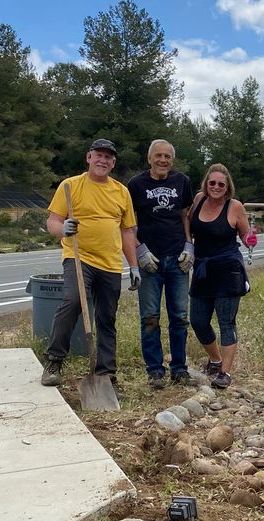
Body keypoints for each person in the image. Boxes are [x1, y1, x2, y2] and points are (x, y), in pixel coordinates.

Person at [41, 138, 141, 389]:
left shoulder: (121, 191)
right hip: (79, 257)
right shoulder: (70, 186)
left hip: (110, 263)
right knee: (73, 300)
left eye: (108, 157)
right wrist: (62, 229)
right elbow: (52, 221)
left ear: (113, 163)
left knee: (107, 316)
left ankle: (106, 372)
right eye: (99, 155)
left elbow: (127, 232)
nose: (103, 160)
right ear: (88, 157)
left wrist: (134, 265)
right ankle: (54, 360)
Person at [127, 139, 196, 389]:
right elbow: (127, 221)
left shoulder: (182, 182)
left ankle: (179, 369)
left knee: (179, 317)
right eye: (158, 155)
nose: (163, 160)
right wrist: (138, 249)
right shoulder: (136, 184)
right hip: (150, 262)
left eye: (167, 156)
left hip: (177, 260)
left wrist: (190, 245)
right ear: (149, 158)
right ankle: (155, 371)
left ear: (172, 160)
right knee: (150, 318)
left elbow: (184, 215)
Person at [188, 163, 257, 389]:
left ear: (227, 187)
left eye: (221, 184)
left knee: (226, 322)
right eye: (212, 183)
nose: (216, 187)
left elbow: (246, 234)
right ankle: (215, 359)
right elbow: (187, 223)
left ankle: (225, 373)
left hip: (228, 271)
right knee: (198, 321)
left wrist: (250, 239)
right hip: (202, 270)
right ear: (206, 184)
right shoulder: (198, 200)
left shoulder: (234, 206)